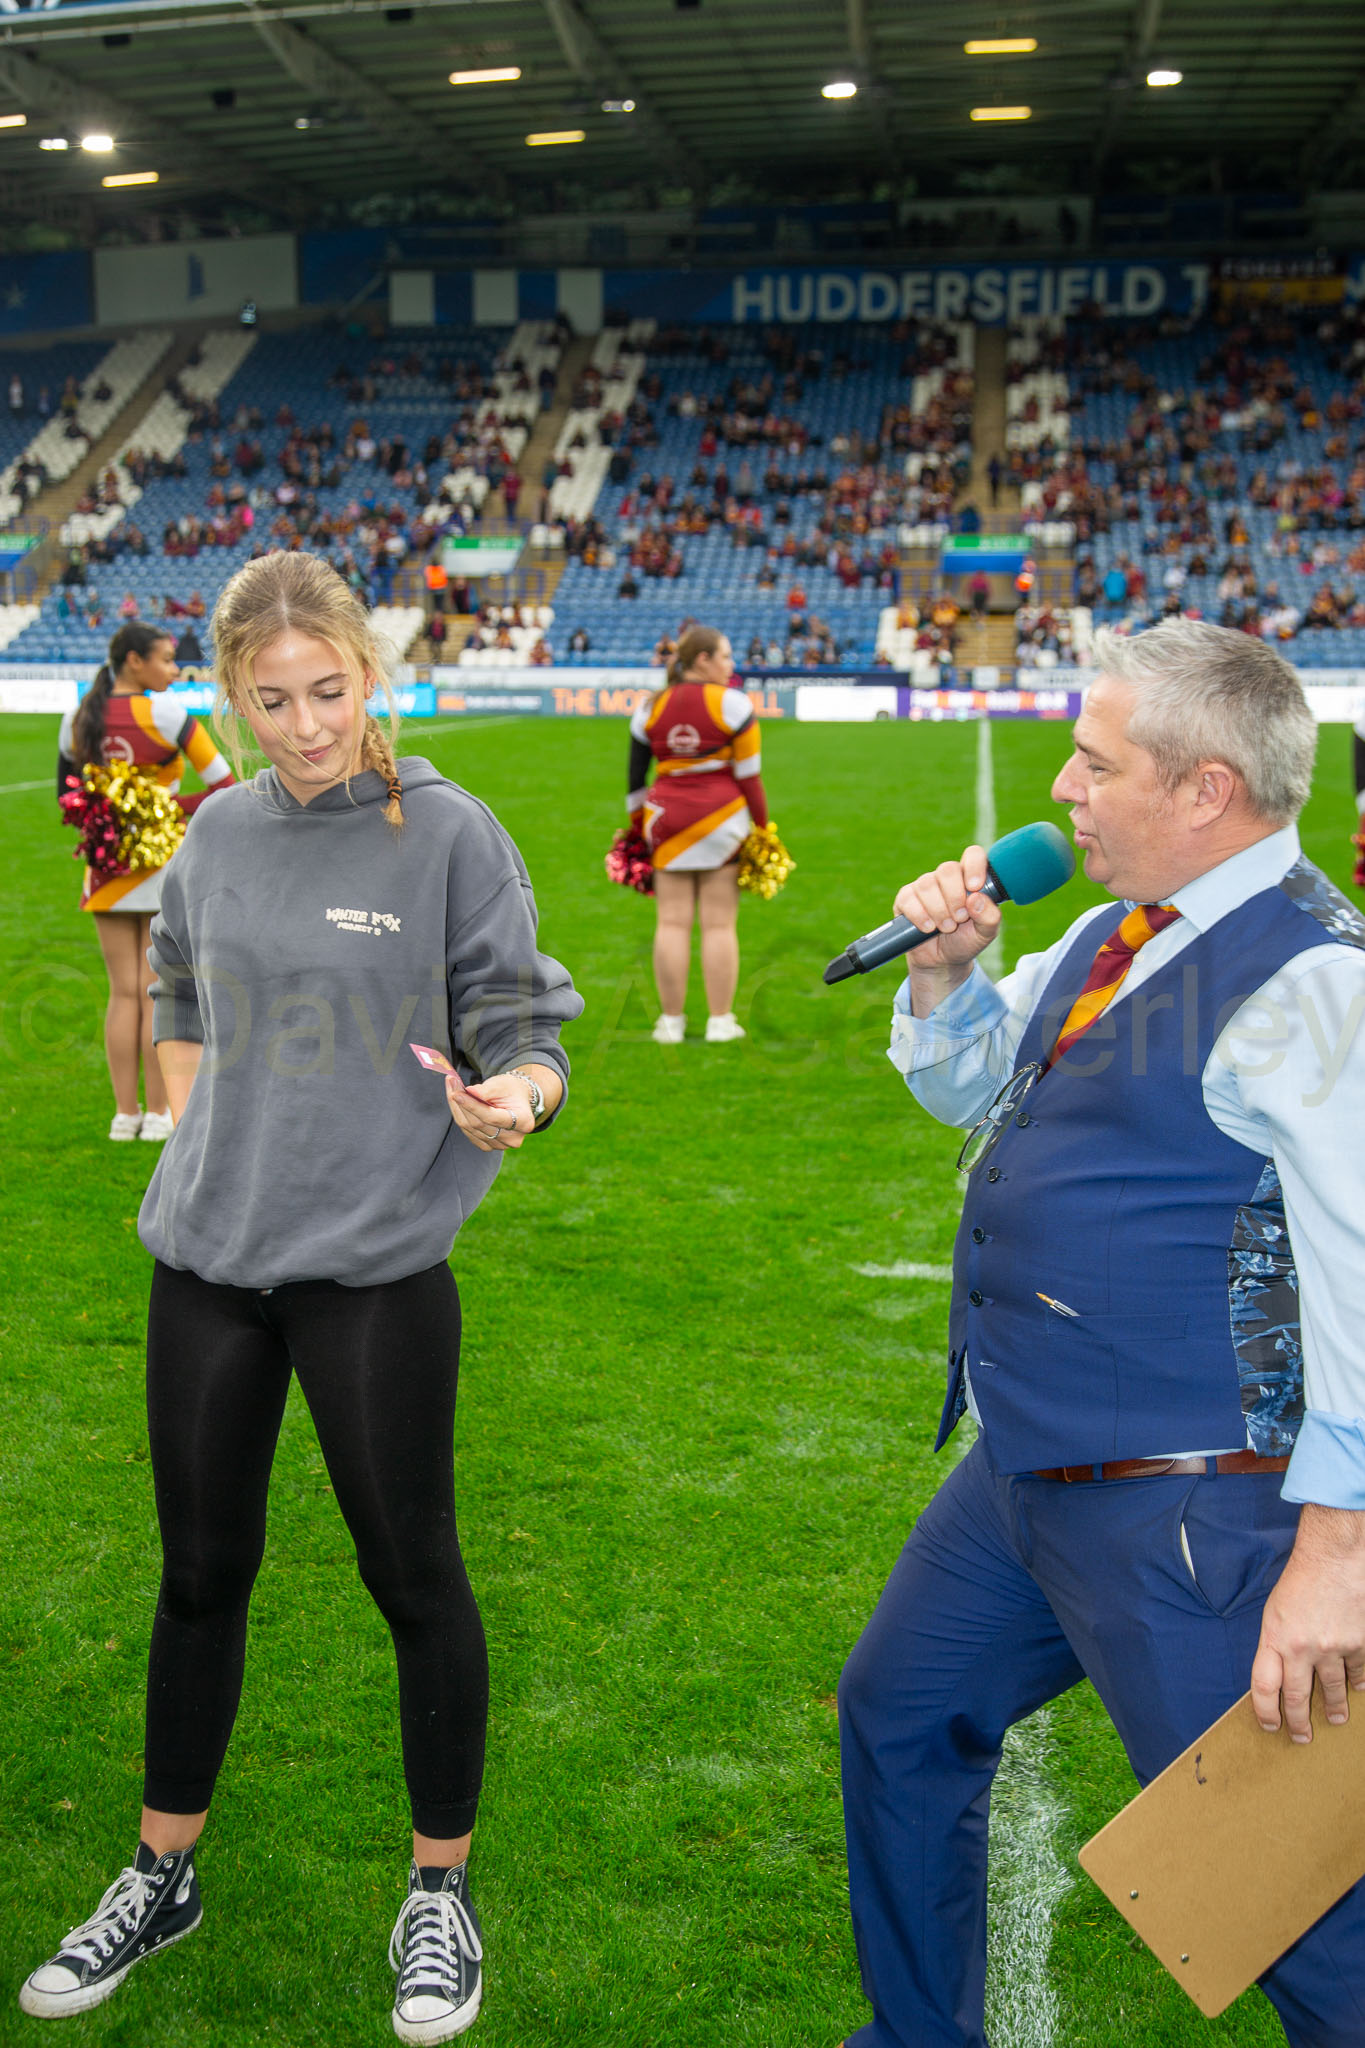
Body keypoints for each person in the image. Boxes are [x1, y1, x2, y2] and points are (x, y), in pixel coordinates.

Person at [21, 550, 582, 2040]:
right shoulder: (214, 828)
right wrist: (208, 1134)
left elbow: (527, 1022)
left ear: (367, 672)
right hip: (207, 1264)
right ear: (232, 694)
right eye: (270, 701)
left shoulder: (448, 831)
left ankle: (439, 1890)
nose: (305, 725)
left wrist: (518, 1095)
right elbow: (179, 994)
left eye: (327, 690)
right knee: (200, 1574)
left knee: (413, 1577)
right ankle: (161, 1872)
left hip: (372, 1277)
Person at [838, 618, 1365, 2048]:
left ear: (1203, 789)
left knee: (1293, 1907)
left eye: (1093, 761)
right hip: (1024, 1462)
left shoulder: (1317, 982)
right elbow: (977, 1093)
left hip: (1189, 1508)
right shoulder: (1110, 929)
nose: (1064, 791)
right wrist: (946, 976)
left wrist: (1337, 1557)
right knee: (900, 1715)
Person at [56, 621, 233, 1142]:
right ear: (135, 661)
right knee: (160, 993)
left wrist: (115, 817)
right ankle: (159, 1114)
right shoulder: (168, 714)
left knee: (123, 992)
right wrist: (165, 811)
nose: (174, 670)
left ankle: (124, 1114)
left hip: (106, 872)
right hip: (164, 870)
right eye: (165, 659)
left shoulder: (78, 716)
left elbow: (67, 797)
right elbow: (224, 785)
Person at [626, 625, 768, 1045]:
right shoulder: (734, 703)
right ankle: (720, 1021)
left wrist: (637, 830)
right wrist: (763, 830)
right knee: (719, 925)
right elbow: (750, 777)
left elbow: (635, 781)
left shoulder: (650, 706)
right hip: (722, 820)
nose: (731, 665)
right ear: (703, 659)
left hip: (665, 821)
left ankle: (670, 1023)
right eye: (725, 656)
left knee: (671, 923)